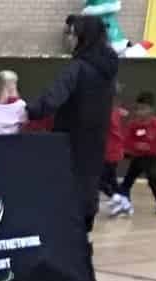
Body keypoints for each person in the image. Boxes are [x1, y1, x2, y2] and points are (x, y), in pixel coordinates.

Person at [25, 14, 121, 236]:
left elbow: (50, 100)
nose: (67, 39)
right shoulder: (107, 72)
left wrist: (27, 110)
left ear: (83, 37)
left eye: (70, 34)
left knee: (64, 200)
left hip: (70, 145)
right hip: (95, 146)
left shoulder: (77, 68)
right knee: (86, 196)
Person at [118, 91, 156, 216]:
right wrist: (135, 145)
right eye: (138, 109)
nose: (140, 112)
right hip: (137, 158)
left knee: (152, 178)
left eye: (143, 109)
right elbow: (126, 139)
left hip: (150, 158)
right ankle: (125, 203)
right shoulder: (133, 125)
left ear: (151, 109)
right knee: (127, 181)